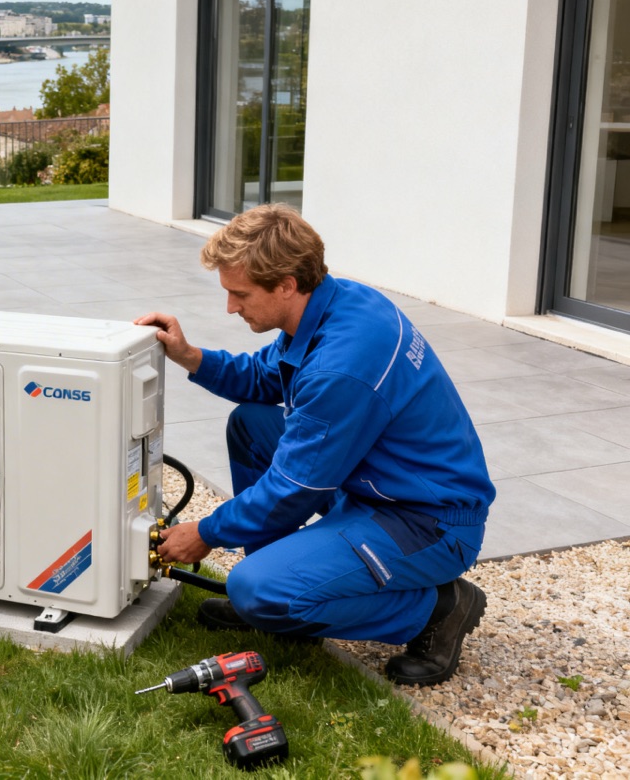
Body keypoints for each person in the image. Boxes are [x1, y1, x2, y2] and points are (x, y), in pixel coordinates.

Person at [135, 204, 494, 686]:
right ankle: (280, 583)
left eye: (240, 294)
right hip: (376, 482)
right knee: (252, 424)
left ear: (285, 284)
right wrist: (189, 355)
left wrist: (205, 532)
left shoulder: (341, 365)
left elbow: (294, 489)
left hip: (425, 521)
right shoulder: (335, 303)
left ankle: (437, 608)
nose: (231, 307)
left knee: (256, 590)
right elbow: (264, 378)